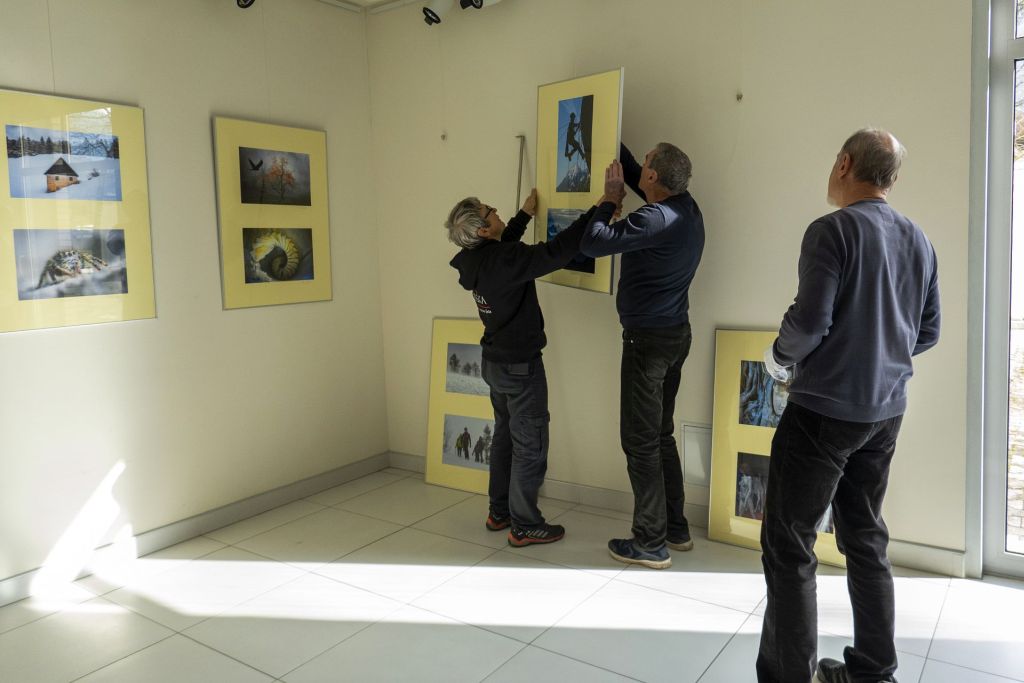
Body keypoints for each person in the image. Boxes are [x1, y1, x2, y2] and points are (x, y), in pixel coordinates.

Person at [756, 128, 940, 683]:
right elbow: (928, 331)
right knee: (865, 537)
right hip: (886, 413)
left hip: (822, 413)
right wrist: (880, 353)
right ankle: (875, 671)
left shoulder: (830, 231)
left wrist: (777, 357)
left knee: (790, 545)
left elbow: (809, 322)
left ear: (844, 163)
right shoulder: (919, 239)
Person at [580, 142, 705, 570]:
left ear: (654, 178)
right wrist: (607, 130)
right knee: (660, 434)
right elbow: (636, 172)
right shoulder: (686, 208)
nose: (642, 166)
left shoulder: (653, 219)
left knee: (639, 441)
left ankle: (650, 542)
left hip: (647, 343)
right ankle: (675, 528)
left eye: (647, 162)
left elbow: (593, 243)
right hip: (676, 336)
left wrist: (609, 199)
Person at [447, 189, 595, 547]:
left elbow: (504, 249)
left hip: (495, 364)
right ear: (483, 230)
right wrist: (600, 208)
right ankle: (525, 525)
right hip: (520, 368)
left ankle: (499, 512)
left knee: (505, 440)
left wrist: (524, 215)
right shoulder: (504, 259)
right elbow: (556, 251)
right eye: (490, 211)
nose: (496, 210)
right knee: (530, 446)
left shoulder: (473, 260)